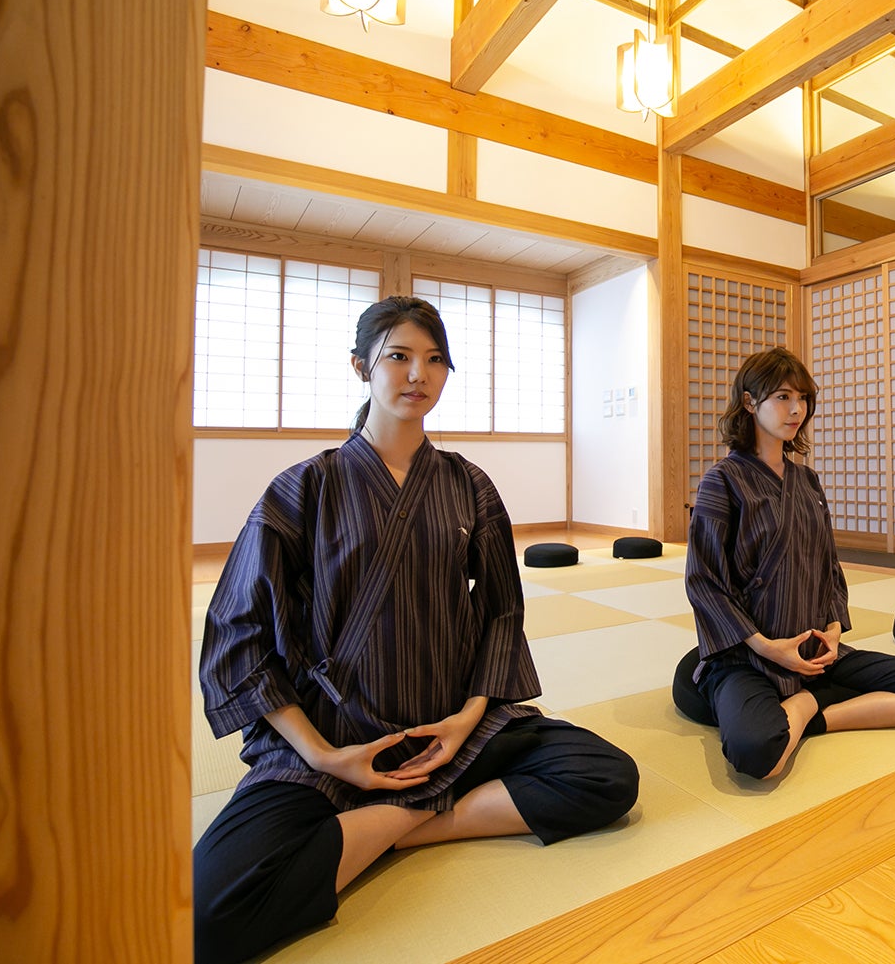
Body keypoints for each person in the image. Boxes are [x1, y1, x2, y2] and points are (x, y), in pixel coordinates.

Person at [194, 296, 638, 964]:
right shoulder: (304, 487)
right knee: (208, 917)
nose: (416, 374)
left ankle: (396, 824)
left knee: (607, 776)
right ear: (360, 367)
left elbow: (500, 614)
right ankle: (414, 807)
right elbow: (239, 632)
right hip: (335, 745)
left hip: (450, 732)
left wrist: (467, 719)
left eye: (434, 360)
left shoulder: (468, 485)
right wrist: (319, 754)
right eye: (398, 356)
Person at [674, 347, 895, 780]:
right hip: (750, 656)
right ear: (750, 402)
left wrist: (831, 630)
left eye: (804, 398)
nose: (797, 410)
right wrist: (767, 647)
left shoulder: (807, 480)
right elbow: (705, 582)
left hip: (815, 649)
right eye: (783, 397)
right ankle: (812, 698)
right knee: (757, 755)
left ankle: (809, 709)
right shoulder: (722, 481)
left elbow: (828, 565)